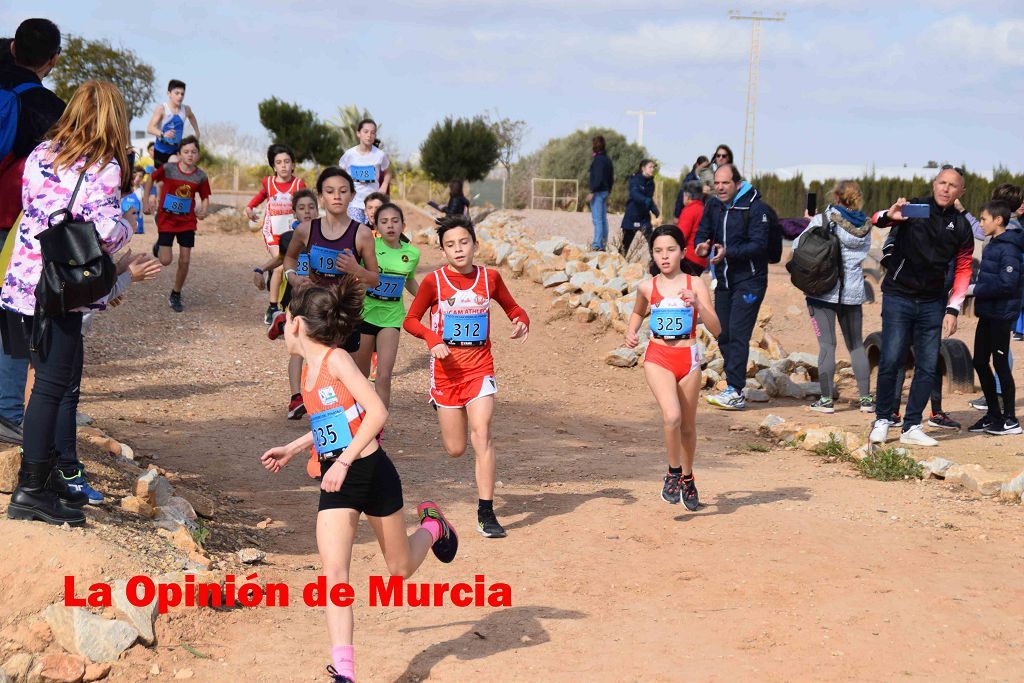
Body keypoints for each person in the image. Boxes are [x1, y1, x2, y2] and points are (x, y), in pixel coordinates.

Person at [260, 280, 458, 683]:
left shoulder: (336, 361)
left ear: (297, 324)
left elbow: (376, 412)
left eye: (284, 321)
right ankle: (345, 672)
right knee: (335, 574)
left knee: (400, 570)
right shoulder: (307, 374)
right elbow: (333, 423)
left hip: (369, 471)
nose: (281, 328)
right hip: (339, 481)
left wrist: (344, 461)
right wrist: (295, 447)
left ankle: (434, 527)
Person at [2, 80, 135, 526]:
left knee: (43, 378)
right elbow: (107, 233)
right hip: (61, 292)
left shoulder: (40, 155)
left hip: (23, 284)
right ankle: (31, 489)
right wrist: (128, 229)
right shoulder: (105, 167)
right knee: (51, 388)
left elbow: (35, 210)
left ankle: (48, 478)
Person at [403, 215, 529, 538]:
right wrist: (433, 339)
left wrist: (521, 320)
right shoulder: (434, 282)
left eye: (463, 242)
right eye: (450, 245)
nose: (458, 250)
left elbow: (514, 308)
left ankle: (486, 511)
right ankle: (443, 407)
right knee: (456, 448)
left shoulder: (491, 278)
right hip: (445, 373)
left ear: (474, 244)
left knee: (482, 432)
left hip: (479, 368)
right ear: (443, 251)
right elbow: (412, 321)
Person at [868, 167, 973, 447]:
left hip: (932, 302)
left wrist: (953, 308)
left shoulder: (961, 226)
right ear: (934, 183)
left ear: (961, 192)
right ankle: (882, 419)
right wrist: (890, 216)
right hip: (899, 295)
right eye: (942, 182)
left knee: (927, 365)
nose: (946, 189)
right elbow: (876, 220)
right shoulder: (915, 208)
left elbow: (964, 269)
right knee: (891, 358)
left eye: (953, 185)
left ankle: (912, 425)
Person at [0, 18, 65, 445]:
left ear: (12, 50)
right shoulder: (55, 110)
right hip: (15, 224)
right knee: (13, 317)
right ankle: (6, 412)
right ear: (53, 60)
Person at [624, 225, 721, 510]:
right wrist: (631, 332)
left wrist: (699, 306)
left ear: (682, 251)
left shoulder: (696, 284)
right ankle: (673, 472)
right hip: (658, 357)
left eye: (670, 250)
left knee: (688, 428)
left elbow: (716, 328)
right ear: (652, 255)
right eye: (658, 251)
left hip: (688, 357)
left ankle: (688, 478)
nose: (664, 256)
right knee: (672, 417)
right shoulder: (647, 285)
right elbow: (638, 311)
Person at [791, 181, 874, 414]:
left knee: (827, 345)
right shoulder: (866, 226)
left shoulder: (824, 219)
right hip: (853, 293)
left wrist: (811, 223)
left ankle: (826, 401)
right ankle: (866, 400)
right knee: (856, 345)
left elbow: (798, 246)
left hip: (823, 291)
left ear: (836, 197)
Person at [694, 164, 771, 410]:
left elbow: (759, 245)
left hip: (750, 280)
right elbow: (704, 231)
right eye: (717, 183)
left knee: (738, 333)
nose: (719, 187)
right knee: (722, 332)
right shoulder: (714, 205)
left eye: (725, 183)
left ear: (737, 183)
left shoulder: (755, 207)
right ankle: (733, 385)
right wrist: (702, 246)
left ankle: (735, 390)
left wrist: (729, 252)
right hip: (724, 279)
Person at [282, 167, 380, 356]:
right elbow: (290, 257)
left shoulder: (362, 234)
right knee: (315, 366)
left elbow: (375, 279)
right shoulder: (305, 230)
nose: (337, 196)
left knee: (344, 368)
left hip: (346, 313)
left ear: (352, 195)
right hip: (315, 309)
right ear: (320, 197)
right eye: (329, 191)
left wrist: (355, 269)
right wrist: (292, 277)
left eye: (343, 191)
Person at [257, 188, 319, 419]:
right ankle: (296, 398)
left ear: (317, 209)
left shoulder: (329, 236)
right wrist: (260, 269)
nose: (306, 212)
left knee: (318, 349)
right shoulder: (287, 238)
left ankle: (319, 396)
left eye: (310, 207)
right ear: (294, 213)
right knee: (298, 352)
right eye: (301, 208)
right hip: (295, 300)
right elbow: (281, 259)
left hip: (321, 300)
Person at [351, 203, 419, 409]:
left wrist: (431, 300)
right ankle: (357, 418)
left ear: (403, 226)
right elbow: (357, 274)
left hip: (392, 317)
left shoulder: (412, 253)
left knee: (384, 375)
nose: (390, 226)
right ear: (376, 226)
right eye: (384, 222)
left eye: (395, 221)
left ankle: (378, 425)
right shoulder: (369, 246)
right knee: (360, 375)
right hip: (365, 315)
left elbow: (409, 280)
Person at [966, 200, 1024, 436]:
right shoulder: (993, 244)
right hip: (988, 312)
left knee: (1000, 364)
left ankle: (1010, 420)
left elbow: (1007, 283)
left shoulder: (1009, 247)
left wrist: (974, 289)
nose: (981, 223)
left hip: (1002, 314)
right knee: (979, 361)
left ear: (998, 220)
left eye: (983, 219)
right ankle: (993, 414)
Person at [143, 136, 210, 313]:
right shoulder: (169, 169)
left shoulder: (200, 176)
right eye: (186, 152)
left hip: (187, 222)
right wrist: (145, 200)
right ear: (179, 154)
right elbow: (150, 178)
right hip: (167, 220)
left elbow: (205, 197)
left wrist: (204, 209)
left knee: (185, 259)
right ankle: (159, 245)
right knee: (165, 261)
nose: (190, 155)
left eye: (193, 152)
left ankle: (176, 293)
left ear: (198, 155)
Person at [246, 144, 306, 325]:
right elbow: (259, 197)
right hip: (272, 231)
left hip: (291, 233)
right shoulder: (269, 183)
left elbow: (305, 205)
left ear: (293, 165)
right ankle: (273, 307)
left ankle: (278, 288)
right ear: (274, 166)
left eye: (287, 162)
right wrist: (250, 208)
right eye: (279, 162)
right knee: (281, 266)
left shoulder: (298, 184)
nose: (283, 166)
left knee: (288, 268)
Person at [337, 119, 390, 224]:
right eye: (365, 132)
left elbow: (388, 172)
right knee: (356, 232)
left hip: (372, 203)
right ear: (358, 133)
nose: (369, 135)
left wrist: (384, 186)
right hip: (354, 202)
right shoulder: (349, 154)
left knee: (372, 233)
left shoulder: (380, 155)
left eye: (372, 132)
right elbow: (339, 174)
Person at [146, 79, 199, 169]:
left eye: (182, 94)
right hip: (160, 151)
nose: (180, 96)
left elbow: (191, 117)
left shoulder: (186, 109)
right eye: (177, 93)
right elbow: (150, 128)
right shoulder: (162, 109)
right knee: (161, 182)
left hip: (175, 150)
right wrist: (163, 134)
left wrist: (197, 132)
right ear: (169, 93)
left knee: (175, 167)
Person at [620, 159, 658, 256]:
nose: (652, 169)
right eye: (650, 167)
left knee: (653, 243)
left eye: (653, 167)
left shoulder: (651, 183)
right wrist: (644, 200)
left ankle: (655, 266)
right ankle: (619, 264)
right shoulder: (635, 180)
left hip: (644, 218)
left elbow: (649, 199)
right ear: (643, 168)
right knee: (624, 246)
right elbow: (634, 194)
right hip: (632, 216)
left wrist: (654, 209)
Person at [673, 180, 708, 275]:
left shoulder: (689, 210)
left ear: (688, 196)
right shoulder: (704, 210)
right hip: (701, 261)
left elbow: (680, 236)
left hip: (689, 258)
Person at [586, 136, 614, 251]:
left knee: (597, 219)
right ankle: (603, 243)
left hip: (597, 192)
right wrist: (609, 190)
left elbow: (597, 177)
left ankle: (597, 244)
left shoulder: (598, 160)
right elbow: (611, 177)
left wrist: (592, 191)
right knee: (603, 219)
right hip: (605, 191)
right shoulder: (607, 160)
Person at [119, 165, 145, 235]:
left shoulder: (142, 191)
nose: (138, 178)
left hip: (137, 222)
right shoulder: (124, 188)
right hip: (123, 221)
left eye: (140, 176)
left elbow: (143, 208)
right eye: (136, 175)